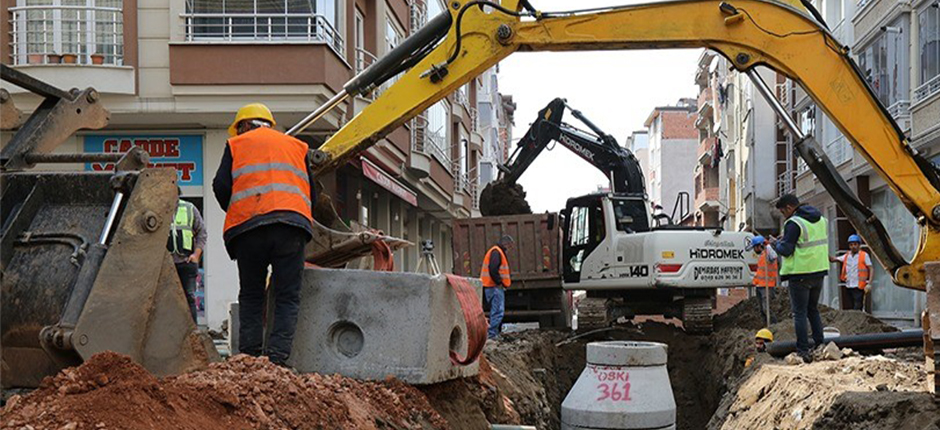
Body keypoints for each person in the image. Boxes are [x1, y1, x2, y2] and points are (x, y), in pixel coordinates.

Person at [212, 103, 315, 367]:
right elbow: (310, 191)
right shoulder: (296, 146)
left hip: (249, 230)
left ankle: (249, 359)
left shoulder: (236, 145)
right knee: (287, 295)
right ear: (269, 124)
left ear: (244, 126)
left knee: (252, 294)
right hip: (291, 227)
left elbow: (221, 186)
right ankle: (278, 361)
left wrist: (238, 208)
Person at [772, 193, 829, 363]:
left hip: (800, 273)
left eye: (783, 212)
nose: (784, 215)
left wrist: (776, 244)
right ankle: (820, 344)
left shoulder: (794, 223)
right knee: (813, 309)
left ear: (789, 207)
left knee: (800, 313)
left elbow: (786, 250)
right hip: (818, 271)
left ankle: (803, 350)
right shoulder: (821, 219)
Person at [168, 187, 207, 323]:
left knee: (189, 297)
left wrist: (196, 255)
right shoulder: (159, 210)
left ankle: (192, 334)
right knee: (167, 301)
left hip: (186, 262)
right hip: (166, 265)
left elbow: (202, 233)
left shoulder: (189, 208)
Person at [480, 235, 514, 339]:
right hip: (494, 286)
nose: (510, 249)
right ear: (506, 244)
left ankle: (494, 333)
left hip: (491, 286)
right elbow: (493, 269)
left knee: (495, 311)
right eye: (510, 246)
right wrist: (499, 282)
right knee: (498, 311)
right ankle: (492, 334)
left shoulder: (496, 251)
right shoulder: (497, 252)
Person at [830, 234, 872, 311]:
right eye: (851, 244)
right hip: (849, 285)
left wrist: (869, 283)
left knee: (857, 306)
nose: (853, 246)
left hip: (859, 286)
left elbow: (871, 268)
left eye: (855, 244)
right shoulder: (847, 256)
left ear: (859, 245)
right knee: (851, 305)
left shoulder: (864, 255)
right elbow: (834, 259)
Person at [751, 235, 778, 325]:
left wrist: (767, 245)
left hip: (767, 286)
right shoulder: (762, 255)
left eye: (755, 248)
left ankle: (774, 325)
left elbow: (774, 256)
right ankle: (765, 326)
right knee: (762, 309)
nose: (754, 250)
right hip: (760, 286)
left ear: (759, 246)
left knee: (766, 308)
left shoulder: (768, 252)